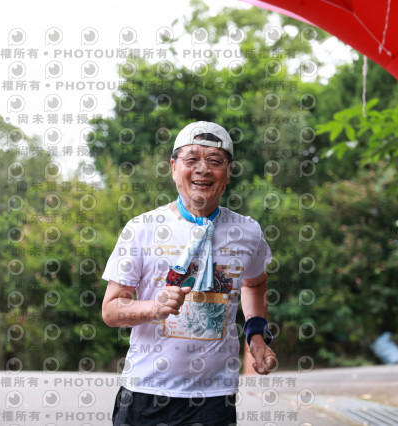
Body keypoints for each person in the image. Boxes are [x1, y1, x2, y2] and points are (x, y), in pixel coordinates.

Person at [102, 121, 277, 426]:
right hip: (146, 391)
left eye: (215, 161)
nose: (203, 169)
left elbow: (254, 283)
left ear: (229, 172)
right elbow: (111, 310)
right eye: (192, 159)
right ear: (173, 168)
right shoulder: (142, 229)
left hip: (214, 398)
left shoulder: (248, 232)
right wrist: (154, 307)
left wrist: (257, 334)